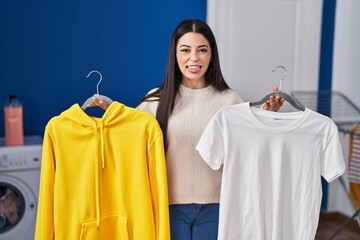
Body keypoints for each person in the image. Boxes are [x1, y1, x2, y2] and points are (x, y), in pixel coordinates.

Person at [90, 19, 284, 240]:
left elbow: (251, 147)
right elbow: (129, 138)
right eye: (185, 50)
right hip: (168, 208)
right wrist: (112, 114)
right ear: (175, 55)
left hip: (217, 208)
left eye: (202, 50)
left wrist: (268, 116)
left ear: (212, 55)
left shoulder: (230, 100)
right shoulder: (156, 100)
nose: (194, 58)